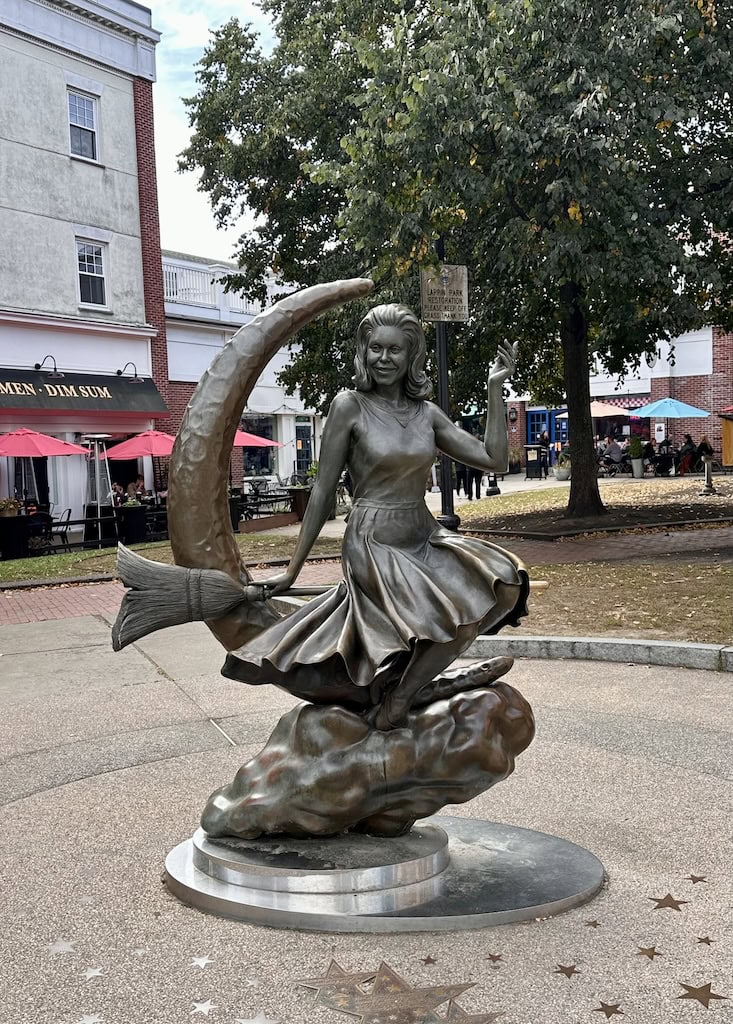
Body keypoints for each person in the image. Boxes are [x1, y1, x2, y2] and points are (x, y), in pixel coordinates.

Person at [222, 304, 529, 731]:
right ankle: (397, 701)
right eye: (375, 349)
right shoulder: (349, 406)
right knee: (435, 614)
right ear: (364, 352)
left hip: (422, 532)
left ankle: (403, 694)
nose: (383, 359)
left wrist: (495, 390)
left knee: (502, 586)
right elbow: (322, 492)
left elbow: (494, 460)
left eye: (395, 351)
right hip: (373, 540)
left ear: (411, 357)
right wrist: (293, 571)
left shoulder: (427, 414)